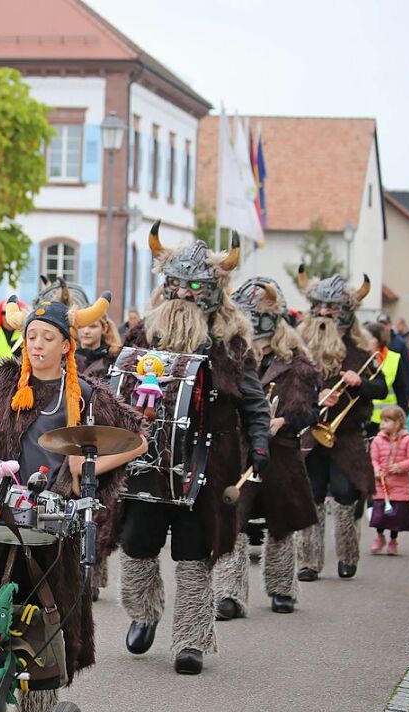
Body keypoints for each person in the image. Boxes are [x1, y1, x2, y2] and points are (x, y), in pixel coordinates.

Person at [0, 289, 145, 712]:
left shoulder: (88, 396)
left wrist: (89, 466)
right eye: (31, 336)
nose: (36, 344)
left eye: (47, 337)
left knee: (44, 628)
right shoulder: (3, 382)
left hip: (56, 523)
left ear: (66, 344)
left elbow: (138, 440)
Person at [118, 223, 271, 675]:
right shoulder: (141, 337)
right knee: (137, 543)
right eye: (176, 287)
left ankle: (191, 639)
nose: (184, 298)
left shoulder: (232, 346)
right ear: (165, 289)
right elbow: (115, 389)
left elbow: (255, 403)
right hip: (148, 457)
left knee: (194, 551)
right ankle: (144, 612)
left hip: (207, 464)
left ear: (213, 294)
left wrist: (258, 445)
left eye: (195, 289)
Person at [212, 278, 321, 618]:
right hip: (238, 450)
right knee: (233, 520)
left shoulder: (298, 363)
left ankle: (282, 589)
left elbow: (311, 412)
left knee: (282, 523)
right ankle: (229, 594)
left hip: (283, 454)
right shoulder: (232, 356)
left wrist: (284, 422)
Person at [295, 271, 387, 581]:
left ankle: (348, 555)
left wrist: (360, 382)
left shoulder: (361, 351)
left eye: (330, 308)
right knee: (313, 494)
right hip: (312, 431)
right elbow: (288, 386)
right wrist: (315, 394)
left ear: (344, 312)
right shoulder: (301, 348)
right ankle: (309, 562)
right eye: (319, 306)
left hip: (346, 434)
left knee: (347, 494)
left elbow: (382, 389)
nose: (323, 313)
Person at [75, 310, 123, 599]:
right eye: (83, 327)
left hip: (103, 434)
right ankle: (81, 571)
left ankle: (93, 572)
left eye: (93, 327)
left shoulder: (114, 360)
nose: (87, 332)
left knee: (100, 505)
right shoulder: (71, 356)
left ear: (104, 328)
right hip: (72, 432)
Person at [369, 405, 409, 556]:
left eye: (387, 421)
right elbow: (373, 459)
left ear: (397, 423)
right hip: (381, 484)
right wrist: (376, 470)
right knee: (379, 515)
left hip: (399, 484)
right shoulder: (377, 440)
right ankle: (379, 536)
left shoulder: (408, 440)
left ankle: (393, 540)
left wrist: (400, 466)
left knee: (395, 517)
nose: (382, 424)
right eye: (382, 421)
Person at [366, 322, 409, 429]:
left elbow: (401, 391)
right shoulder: (360, 357)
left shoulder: (394, 358)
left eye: (368, 337)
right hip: (364, 417)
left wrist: (401, 420)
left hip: (388, 420)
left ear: (377, 341)